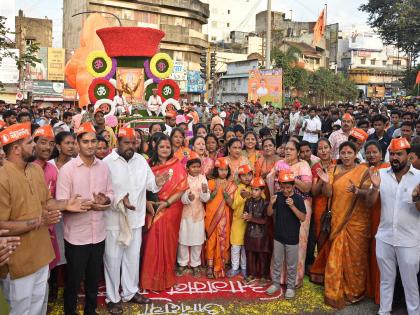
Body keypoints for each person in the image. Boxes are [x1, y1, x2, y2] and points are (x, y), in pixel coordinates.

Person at [0, 122, 89, 315]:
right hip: (18, 260)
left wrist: (65, 205)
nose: (36, 146)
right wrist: (38, 222)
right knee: (21, 309)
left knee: (39, 306)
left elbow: (47, 202)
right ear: (16, 149)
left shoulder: (35, 170)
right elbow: (2, 225)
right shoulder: (2, 176)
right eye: (31, 142)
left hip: (42, 254)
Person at [102, 127, 167, 314]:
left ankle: (130, 292)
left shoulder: (141, 161)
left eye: (133, 142)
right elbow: (104, 193)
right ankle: (113, 298)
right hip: (114, 220)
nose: (131, 146)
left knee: (132, 258)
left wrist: (158, 182)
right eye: (126, 143)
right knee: (113, 260)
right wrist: (119, 202)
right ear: (118, 143)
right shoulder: (107, 163)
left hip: (136, 219)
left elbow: (150, 184)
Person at [56, 122, 114, 315]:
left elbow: (111, 195)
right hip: (76, 237)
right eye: (86, 141)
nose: (90, 145)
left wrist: (104, 199)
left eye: (93, 141)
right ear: (78, 144)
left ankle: (91, 311)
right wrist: (83, 206)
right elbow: (61, 203)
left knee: (92, 281)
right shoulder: (67, 170)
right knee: (73, 282)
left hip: (98, 234)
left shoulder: (104, 168)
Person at [365, 138, 420, 315]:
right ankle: (384, 312)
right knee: (386, 280)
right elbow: (369, 203)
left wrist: (417, 198)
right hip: (385, 237)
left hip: (409, 240)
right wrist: (374, 188)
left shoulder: (419, 178)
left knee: (410, 283)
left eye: (399, 154)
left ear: (409, 156)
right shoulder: (381, 175)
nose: (394, 157)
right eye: (392, 154)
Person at [316, 141, 370, 309]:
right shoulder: (333, 170)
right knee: (336, 256)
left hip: (357, 223)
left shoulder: (363, 171)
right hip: (337, 220)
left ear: (355, 154)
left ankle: (354, 292)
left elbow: (369, 195)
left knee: (356, 258)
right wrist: (325, 182)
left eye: (349, 153)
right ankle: (335, 291)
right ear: (339, 154)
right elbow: (328, 193)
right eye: (343, 153)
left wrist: (357, 191)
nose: (346, 156)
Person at [141, 135, 188, 291]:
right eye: (162, 146)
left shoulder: (177, 165)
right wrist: (150, 203)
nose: (165, 150)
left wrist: (167, 203)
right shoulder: (148, 165)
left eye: (168, 147)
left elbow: (181, 188)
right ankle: (150, 280)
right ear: (156, 147)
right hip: (152, 208)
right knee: (151, 243)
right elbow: (142, 187)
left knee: (168, 243)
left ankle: (165, 278)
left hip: (170, 208)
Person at [267, 140, 312, 288]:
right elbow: (270, 180)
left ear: (298, 151)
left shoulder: (303, 165)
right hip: (280, 205)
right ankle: (278, 279)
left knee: (297, 243)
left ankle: (294, 280)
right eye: (286, 149)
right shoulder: (279, 163)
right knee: (280, 240)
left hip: (299, 205)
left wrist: (289, 175)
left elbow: (306, 188)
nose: (288, 151)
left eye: (291, 149)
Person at [267, 170, 306, 298]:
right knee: (277, 262)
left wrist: (292, 206)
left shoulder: (298, 199)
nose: (285, 190)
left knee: (291, 264)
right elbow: (269, 214)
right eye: (282, 187)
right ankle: (276, 283)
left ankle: (290, 287)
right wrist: (271, 204)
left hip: (292, 238)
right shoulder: (277, 196)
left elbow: (303, 218)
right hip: (278, 236)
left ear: (293, 186)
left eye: (288, 187)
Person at [361, 140, 390, 305]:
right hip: (365, 214)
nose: (372, 155)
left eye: (375, 152)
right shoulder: (363, 168)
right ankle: (370, 290)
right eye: (368, 152)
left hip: (382, 213)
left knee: (381, 254)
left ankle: (381, 295)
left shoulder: (387, 168)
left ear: (381, 152)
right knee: (370, 252)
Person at [177, 153, 210, 277]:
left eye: (198, 166)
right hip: (185, 214)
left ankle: (196, 264)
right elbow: (180, 196)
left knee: (197, 241)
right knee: (183, 240)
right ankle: (182, 263)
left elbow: (205, 197)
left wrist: (205, 193)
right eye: (193, 167)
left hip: (198, 213)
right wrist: (187, 197)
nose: (196, 169)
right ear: (187, 167)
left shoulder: (202, 178)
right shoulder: (183, 178)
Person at [309, 138, 336, 284]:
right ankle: (321, 270)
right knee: (321, 237)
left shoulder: (337, 165)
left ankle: (333, 270)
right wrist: (321, 179)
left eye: (326, 147)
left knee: (334, 238)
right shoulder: (315, 167)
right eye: (320, 149)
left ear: (330, 148)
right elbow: (313, 191)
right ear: (317, 151)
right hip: (320, 206)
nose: (324, 151)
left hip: (336, 204)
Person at [206, 157, 236, 278]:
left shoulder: (231, 185)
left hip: (225, 218)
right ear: (216, 170)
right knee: (211, 241)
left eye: (225, 170)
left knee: (223, 240)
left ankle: (221, 265)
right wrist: (212, 195)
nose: (223, 172)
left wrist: (226, 196)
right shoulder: (211, 183)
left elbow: (232, 203)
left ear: (228, 171)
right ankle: (210, 266)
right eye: (220, 170)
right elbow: (205, 199)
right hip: (211, 217)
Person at [243, 177, 270, 284]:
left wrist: (251, 218)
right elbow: (245, 213)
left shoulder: (265, 203)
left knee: (262, 255)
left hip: (261, 235)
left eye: (256, 190)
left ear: (262, 191)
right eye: (252, 189)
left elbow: (265, 221)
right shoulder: (248, 202)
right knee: (250, 254)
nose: (253, 192)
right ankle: (251, 274)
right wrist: (245, 215)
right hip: (249, 232)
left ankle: (263, 276)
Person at [228, 164, 253, 278]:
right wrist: (243, 196)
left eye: (249, 174)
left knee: (245, 248)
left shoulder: (255, 187)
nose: (247, 177)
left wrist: (251, 195)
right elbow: (233, 205)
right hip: (238, 222)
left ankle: (244, 268)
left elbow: (261, 199)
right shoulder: (238, 188)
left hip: (250, 223)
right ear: (240, 177)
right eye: (243, 176)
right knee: (236, 246)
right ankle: (234, 268)